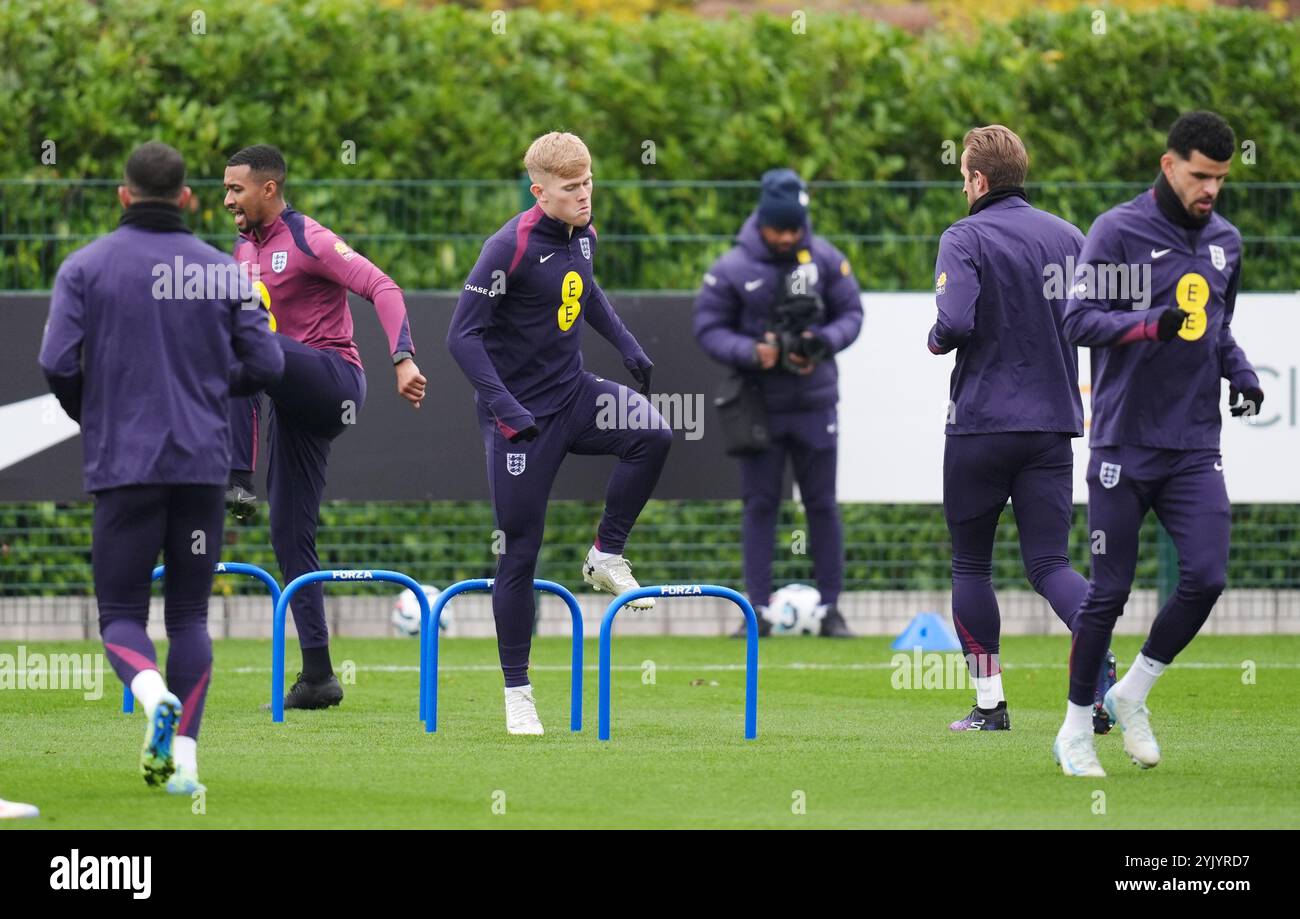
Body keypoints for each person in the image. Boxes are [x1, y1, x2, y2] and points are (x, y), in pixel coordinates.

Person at [39, 142, 283, 793]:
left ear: (123, 196)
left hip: (125, 465)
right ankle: (187, 765)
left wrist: (96, 413)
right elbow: (268, 366)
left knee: (120, 613)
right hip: (201, 466)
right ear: (186, 199)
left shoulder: (85, 268)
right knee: (189, 619)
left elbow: (58, 364)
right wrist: (210, 388)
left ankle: (151, 694)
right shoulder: (223, 271)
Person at [1054, 111, 1261, 777]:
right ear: (1170, 165)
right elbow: (1079, 317)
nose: (1211, 190)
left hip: (1194, 444)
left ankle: (1133, 691)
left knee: (1208, 575)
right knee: (1107, 592)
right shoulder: (1119, 231)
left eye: (1222, 179)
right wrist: (1151, 324)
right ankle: (1075, 730)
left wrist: (1244, 374)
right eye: (1201, 175)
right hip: (1122, 443)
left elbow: (1218, 327)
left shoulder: (1227, 240)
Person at [447, 131, 670, 735]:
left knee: (652, 433)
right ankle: (518, 693)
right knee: (518, 552)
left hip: (573, 394)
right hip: (520, 418)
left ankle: (605, 553)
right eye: (572, 188)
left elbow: (586, 290)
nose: (585, 196)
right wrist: (505, 407)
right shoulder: (508, 247)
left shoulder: (584, 235)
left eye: (589, 182)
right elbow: (460, 336)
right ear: (538, 190)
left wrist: (626, 345)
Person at [221, 144, 426, 710]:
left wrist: (402, 357)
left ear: (269, 188)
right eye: (224, 189)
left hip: (335, 380)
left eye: (236, 189)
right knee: (289, 536)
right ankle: (318, 677)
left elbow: (383, 286)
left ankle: (237, 475)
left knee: (242, 339)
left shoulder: (309, 237)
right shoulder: (240, 250)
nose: (227, 199)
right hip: (292, 403)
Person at [927, 126, 1115, 733]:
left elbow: (953, 321)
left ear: (978, 180)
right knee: (1049, 565)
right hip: (1053, 424)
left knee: (971, 567)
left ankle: (989, 707)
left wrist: (935, 339)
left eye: (963, 175)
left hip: (981, 424)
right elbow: (1096, 321)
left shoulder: (965, 235)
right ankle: (1099, 673)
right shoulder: (1068, 236)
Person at [694, 168, 862, 638]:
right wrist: (753, 352)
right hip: (758, 407)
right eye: (779, 228)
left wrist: (820, 342)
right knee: (760, 505)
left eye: (795, 228)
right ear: (763, 222)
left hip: (814, 403)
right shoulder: (731, 267)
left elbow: (852, 313)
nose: (788, 237)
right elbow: (707, 327)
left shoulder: (826, 259)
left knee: (822, 505)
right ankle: (756, 612)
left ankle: (831, 609)